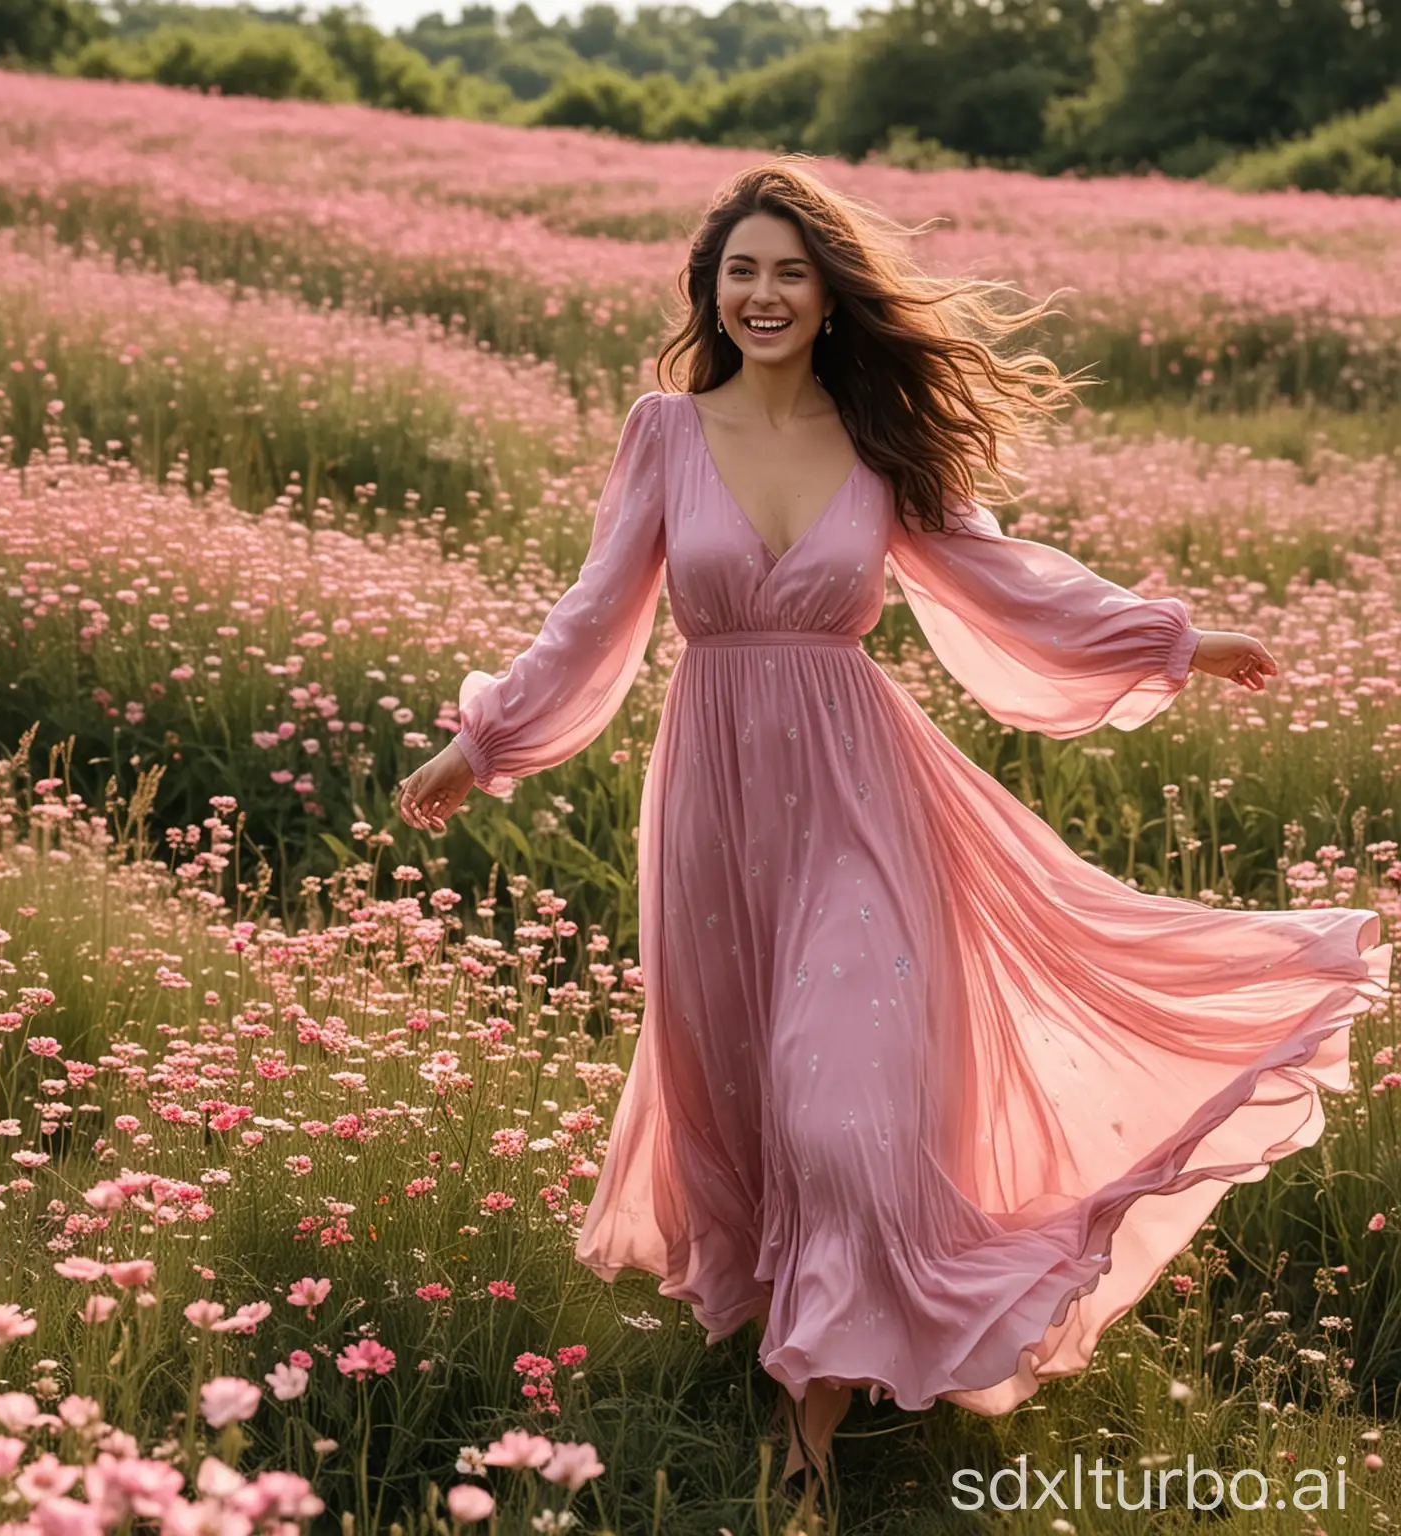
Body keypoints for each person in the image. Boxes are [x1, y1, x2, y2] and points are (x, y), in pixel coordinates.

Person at [395, 157, 1392, 1501]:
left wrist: (1177, 641)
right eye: (740, 270)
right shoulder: (666, 432)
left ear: (828, 295)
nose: (762, 293)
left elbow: (997, 577)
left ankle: (806, 1449)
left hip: (865, 799)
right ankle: (801, 1365)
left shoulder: (880, 439)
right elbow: (593, 614)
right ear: (711, 289)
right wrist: (487, 737)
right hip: (715, 804)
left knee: (842, 1108)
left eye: (788, 272)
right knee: (758, 1101)